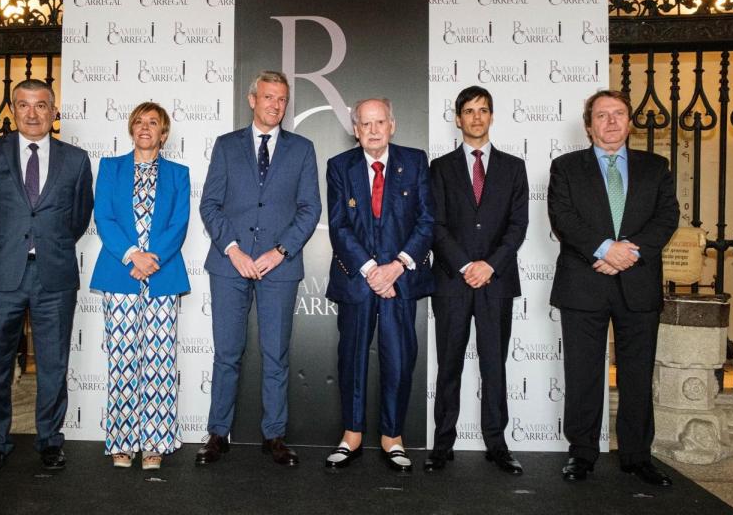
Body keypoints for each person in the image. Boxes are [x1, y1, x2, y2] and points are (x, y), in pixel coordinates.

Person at [548, 89, 679, 485]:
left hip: (637, 285)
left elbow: (666, 217)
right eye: (602, 115)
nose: (611, 121)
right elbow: (563, 217)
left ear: (630, 120)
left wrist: (628, 254)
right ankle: (582, 453)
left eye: (618, 113)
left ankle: (637, 455)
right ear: (589, 126)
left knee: (637, 374)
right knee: (584, 373)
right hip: (583, 284)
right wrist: (605, 249)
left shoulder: (657, 167)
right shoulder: (566, 167)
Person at [0, 79, 94, 474]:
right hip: (1, 275)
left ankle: (50, 442)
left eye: (41, 105)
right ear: (12, 110)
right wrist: (4, 249)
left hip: (54, 276)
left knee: (54, 363)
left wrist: (47, 245)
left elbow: (79, 216)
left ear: (54, 111)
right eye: (24, 105)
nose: (33, 113)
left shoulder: (76, 158)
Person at [197, 70, 321, 466]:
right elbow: (209, 205)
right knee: (227, 353)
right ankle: (218, 433)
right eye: (268, 97)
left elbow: (310, 208)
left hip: (279, 268)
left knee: (276, 354)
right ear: (252, 100)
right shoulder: (226, 145)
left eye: (282, 99)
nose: (275, 105)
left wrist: (279, 251)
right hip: (229, 264)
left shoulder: (302, 149)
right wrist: (233, 250)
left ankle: (274, 436)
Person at [324, 98, 433, 472]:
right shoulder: (339, 167)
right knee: (351, 359)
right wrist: (373, 271)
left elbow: (427, 221)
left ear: (392, 125)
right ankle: (352, 435)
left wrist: (397, 267)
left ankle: (393, 437)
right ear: (355, 129)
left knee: (400, 361)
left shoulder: (416, 161)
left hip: (401, 280)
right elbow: (338, 226)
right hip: (357, 280)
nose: (373, 130)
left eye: (380, 122)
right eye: (365, 124)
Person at [424, 86, 528, 475]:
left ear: (492, 115)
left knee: (494, 366)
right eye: (469, 111)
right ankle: (442, 444)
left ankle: (497, 445)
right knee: (449, 364)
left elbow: (518, 226)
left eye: (483, 110)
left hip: (496, 282)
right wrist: (466, 265)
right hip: (452, 282)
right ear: (458, 118)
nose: (476, 117)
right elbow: (435, 225)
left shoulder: (513, 167)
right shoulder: (440, 167)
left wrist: (490, 266)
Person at [90, 102, 190, 470]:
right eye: (139, 122)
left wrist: (152, 259)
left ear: (163, 134)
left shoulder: (179, 173)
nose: (145, 128)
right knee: (122, 360)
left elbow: (178, 225)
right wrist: (133, 255)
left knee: (160, 362)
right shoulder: (110, 168)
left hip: (162, 276)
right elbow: (104, 216)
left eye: (153, 123)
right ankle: (121, 441)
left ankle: (155, 443)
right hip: (120, 273)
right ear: (131, 129)